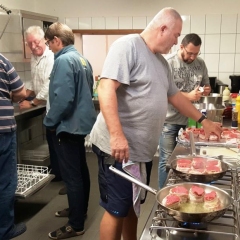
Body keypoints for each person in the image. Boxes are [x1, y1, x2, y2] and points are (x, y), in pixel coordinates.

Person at [89, 7, 222, 240]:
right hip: (119, 149)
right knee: (117, 209)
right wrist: (117, 134)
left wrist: (204, 121)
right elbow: (105, 88)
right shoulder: (128, 46)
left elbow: (176, 97)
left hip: (140, 152)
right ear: (163, 28)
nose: (176, 41)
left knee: (132, 205)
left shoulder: (161, 63)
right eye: (176, 35)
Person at [43, 22, 96, 239]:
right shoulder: (82, 59)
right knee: (81, 170)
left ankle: (75, 225)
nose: (49, 48)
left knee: (72, 176)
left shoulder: (64, 60)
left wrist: (49, 121)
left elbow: (63, 99)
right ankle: (78, 211)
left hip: (67, 126)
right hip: (80, 124)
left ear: (57, 40)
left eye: (49, 43)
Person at [158, 33, 211, 188]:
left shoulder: (200, 64)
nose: (193, 57)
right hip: (168, 121)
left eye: (196, 53)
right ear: (181, 47)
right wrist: (188, 96)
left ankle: (181, 191)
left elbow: (206, 84)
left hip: (190, 121)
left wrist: (206, 90)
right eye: (190, 53)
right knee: (167, 161)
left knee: (187, 161)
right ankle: (164, 194)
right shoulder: (167, 63)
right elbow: (163, 92)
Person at [19, 26, 63, 185]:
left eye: (35, 42)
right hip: (45, 106)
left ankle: (61, 174)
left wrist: (32, 103)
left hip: (53, 105)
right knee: (52, 141)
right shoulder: (34, 56)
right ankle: (56, 171)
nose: (33, 46)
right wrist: (26, 93)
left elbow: (48, 85)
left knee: (57, 142)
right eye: (29, 43)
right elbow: (34, 79)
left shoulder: (51, 57)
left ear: (44, 39)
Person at [0, 53, 27, 239]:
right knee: (5, 180)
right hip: (2, 130)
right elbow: (21, 93)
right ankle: (5, 229)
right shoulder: (2, 61)